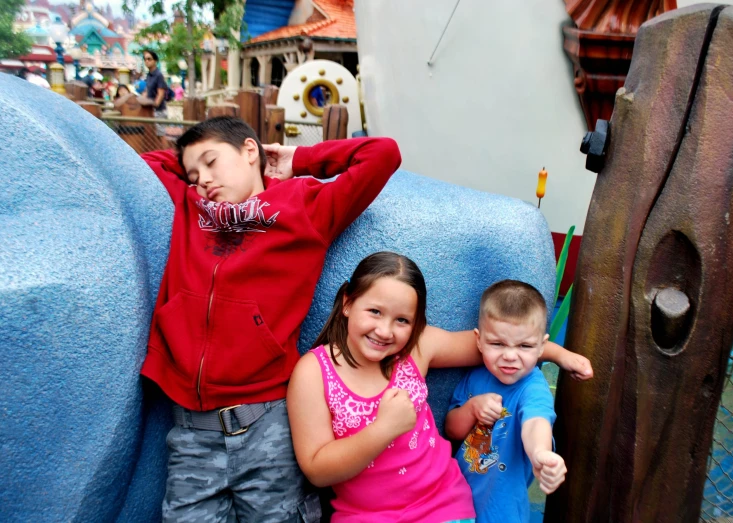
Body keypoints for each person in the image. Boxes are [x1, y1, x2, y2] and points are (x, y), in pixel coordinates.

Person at [139, 116, 401, 522]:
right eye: (194, 173)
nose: (203, 179)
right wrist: (191, 162)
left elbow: (382, 155)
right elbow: (148, 162)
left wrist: (300, 157)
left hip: (268, 425)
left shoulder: (306, 205)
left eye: (212, 162)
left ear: (249, 151)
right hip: (192, 433)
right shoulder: (192, 206)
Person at [287, 253, 592, 522]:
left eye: (402, 320)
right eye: (375, 312)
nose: (385, 330)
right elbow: (317, 469)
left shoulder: (416, 348)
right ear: (348, 303)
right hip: (367, 515)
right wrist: (384, 429)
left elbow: (498, 349)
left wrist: (557, 354)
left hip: (443, 505)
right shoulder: (315, 372)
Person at [445, 280, 569, 523]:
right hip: (455, 501)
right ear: (479, 341)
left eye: (524, 345)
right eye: (497, 344)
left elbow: (536, 422)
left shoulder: (532, 387)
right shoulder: (476, 376)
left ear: (542, 346)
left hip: (503, 509)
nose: (510, 356)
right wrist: (472, 409)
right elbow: (452, 430)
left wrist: (541, 454)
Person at [142, 49, 168, 141]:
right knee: (153, 135)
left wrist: (155, 104)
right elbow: (147, 91)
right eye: (145, 59)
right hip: (150, 109)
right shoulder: (149, 75)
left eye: (149, 59)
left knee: (161, 134)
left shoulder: (158, 75)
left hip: (158, 109)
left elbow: (161, 93)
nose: (147, 61)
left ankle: (165, 153)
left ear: (155, 61)